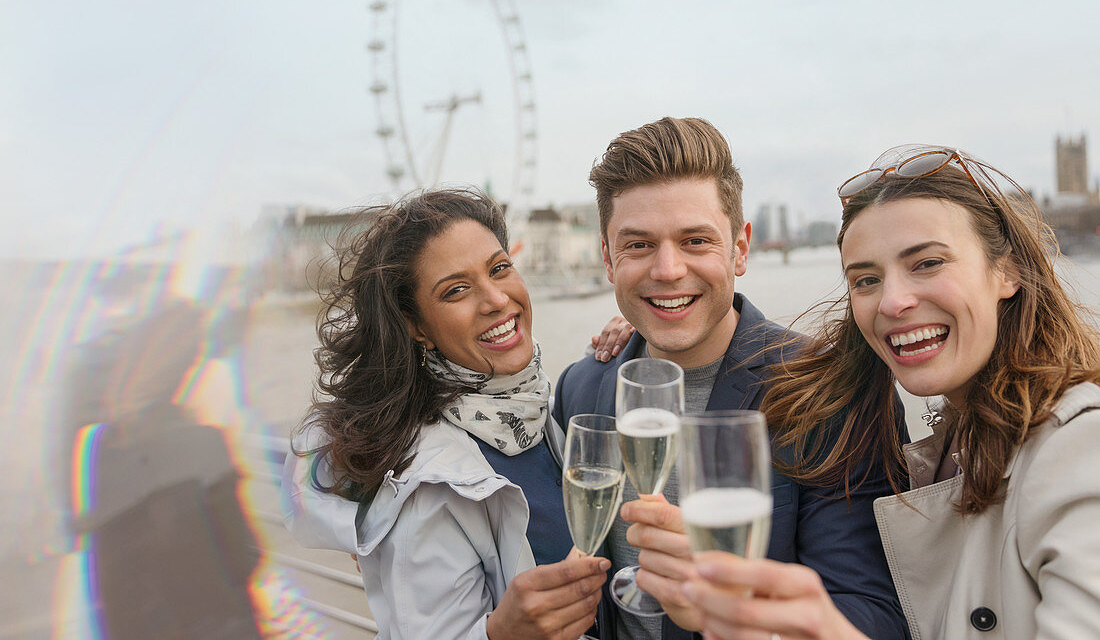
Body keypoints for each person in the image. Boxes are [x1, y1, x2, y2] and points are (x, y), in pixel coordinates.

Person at [681, 145, 1100, 639]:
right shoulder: (956, 443)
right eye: (867, 279)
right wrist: (660, 336)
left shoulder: (1078, 447)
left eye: (926, 263)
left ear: (1006, 270)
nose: (894, 302)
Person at [551, 118, 909, 640]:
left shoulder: (832, 392)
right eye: (638, 245)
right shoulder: (579, 388)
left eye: (695, 241)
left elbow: (877, 616)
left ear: (740, 249)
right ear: (608, 258)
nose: (668, 269)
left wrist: (733, 606)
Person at [282, 188, 619, 640]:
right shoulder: (429, 491)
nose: (497, 299)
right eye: (456, 290)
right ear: (416, 326)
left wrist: (632, 334)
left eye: (500, 269)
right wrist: (501, 634)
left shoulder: (536, 413)